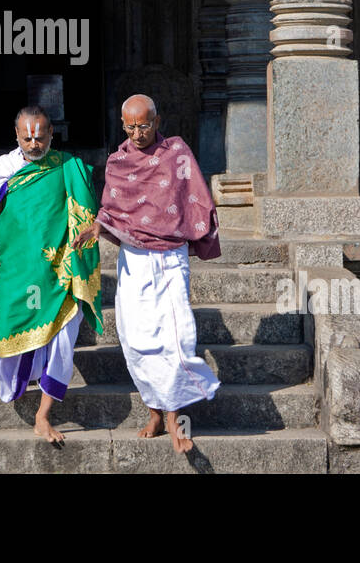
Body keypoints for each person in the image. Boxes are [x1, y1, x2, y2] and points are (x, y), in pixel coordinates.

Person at [72, 93, 221, 454]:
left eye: (144, 125)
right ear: (123, 125)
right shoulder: (117, 162)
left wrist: (196, 231)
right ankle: (153, 408)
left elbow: (196, 196)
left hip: (169, 257)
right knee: (135, 337)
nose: (138, 133)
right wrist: (97, 227)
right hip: (134, 260)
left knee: (175, 336)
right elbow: (112, 210)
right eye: (131, 126)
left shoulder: (176, 153)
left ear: (157, 122)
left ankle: (175, 418)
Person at [0, 106, 103, 444]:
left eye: (40, 136)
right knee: (13, 325)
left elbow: (85, 215)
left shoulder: (68, 166)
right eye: (26, 137)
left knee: (63, 339)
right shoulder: (5, 168)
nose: (34, 144)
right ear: (16, 135)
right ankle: (19, 381)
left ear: (52, 134)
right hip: (20, 270)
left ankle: (43, 415)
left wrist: (78, 248)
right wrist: (16, 256)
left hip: (62, 271)